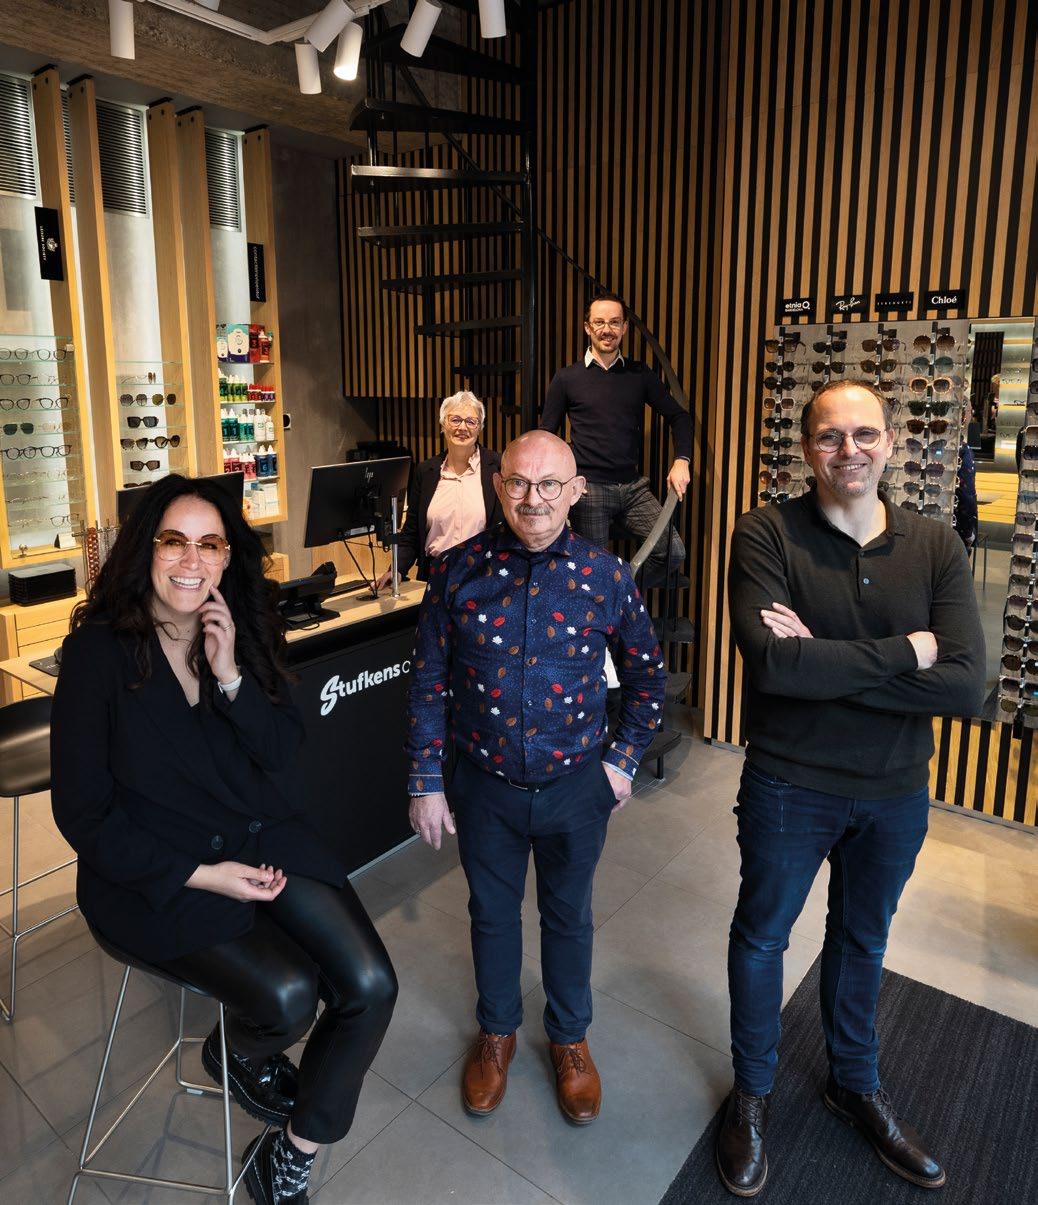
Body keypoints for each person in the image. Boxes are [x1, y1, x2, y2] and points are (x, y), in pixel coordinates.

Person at [50, 475, 398, 1205]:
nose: (191, 560)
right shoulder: (96, 655)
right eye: (174, 541)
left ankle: (291, 1152)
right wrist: (206, 874)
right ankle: (239, 1049)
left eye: (209, 544)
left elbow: (279, 751)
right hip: (154, 869)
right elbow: (85, 815)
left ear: (226, 555)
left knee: (370, 985)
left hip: (258, 832)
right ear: (145, 548)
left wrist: (232, 673)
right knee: (290, 995)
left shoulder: (237, 625)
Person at [720, 380, 984, 1197]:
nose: (850, 450)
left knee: (862, 940)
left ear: (891, 440)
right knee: (763, 937)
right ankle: (751, 1095)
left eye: (865, 433)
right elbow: (775, 664)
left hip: (896, 790)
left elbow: (966, 685)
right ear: (808, 449)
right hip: (788, 782)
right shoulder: (764, 533)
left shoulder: (936, 545)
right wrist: (909, 650)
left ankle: (854, 1082)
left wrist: (823, 664)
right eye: (831, 436)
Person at [405, 430, 665, 1123]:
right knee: (491, 915)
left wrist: (622, 763)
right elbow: (428, 680)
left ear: (576, 491)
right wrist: (426, 778)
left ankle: (569, 1039)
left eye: (551, 484)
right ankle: (497, 1032)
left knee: (568, 916)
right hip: (483, 785)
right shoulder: (455, 572)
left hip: (576, 787)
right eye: (519, 482)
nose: (534, 499)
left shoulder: (608, 576)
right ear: (498, 486)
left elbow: (647, 678)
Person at [539, 293, 692, 586]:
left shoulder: (639, 374)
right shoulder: (567, 378)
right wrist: (563, 482)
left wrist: (681, 461)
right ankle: (607, 600)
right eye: (599, 322)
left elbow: (679, 417)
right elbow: (546, 437)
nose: (606, 329)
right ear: (587, 327)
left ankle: (621, 591)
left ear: (624, 328)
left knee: (673, 552)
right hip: (590, 489)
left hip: (633, 488)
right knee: (590, 571)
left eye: (614, 322)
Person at [375, 391, 502, 590]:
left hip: (483, 576)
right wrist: (396, 569)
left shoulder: (498, 467)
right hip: (434, 576)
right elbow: (411, 532)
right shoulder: (426, 471)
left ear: (480, 428)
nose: (462, 427)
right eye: (455, 420)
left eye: (471, 421)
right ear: (443, 425)